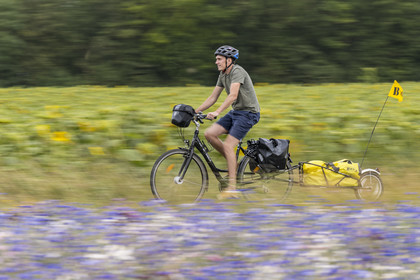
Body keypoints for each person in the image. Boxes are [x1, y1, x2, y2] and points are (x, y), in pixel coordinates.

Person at [195, 45, 260, 199]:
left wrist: (217, 112)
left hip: (248, 114)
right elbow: (213, 97)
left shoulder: (237, 71)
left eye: (219, 59)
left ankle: (232, 188)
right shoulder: (223, 74)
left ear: (229, 60)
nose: (216, 62)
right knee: (210, 134)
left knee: (229, 145)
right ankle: (233, 164)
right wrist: (195, 111)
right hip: (236, 112)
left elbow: (233, 95)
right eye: (216, 59)